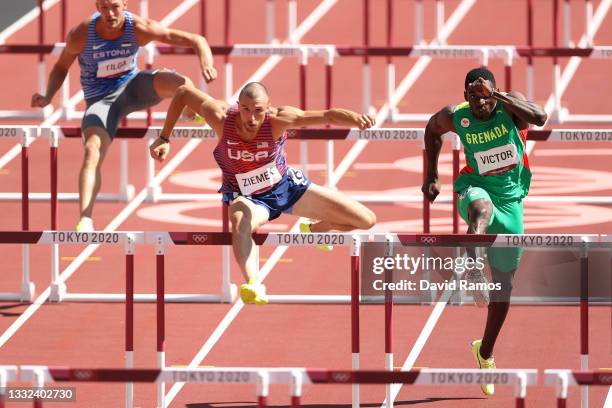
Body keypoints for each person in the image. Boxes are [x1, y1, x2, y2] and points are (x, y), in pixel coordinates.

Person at [149, 82, 377, 305]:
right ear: (237, 106)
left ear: (268, 108)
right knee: (239, 221)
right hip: (247, 197)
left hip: (287, 188)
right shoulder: (220, 117)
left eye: (258, 111)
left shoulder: (279, 119)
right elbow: (182, 93)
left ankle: (315, 228)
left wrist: (356, 119)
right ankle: (253, 283)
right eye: (245, 109)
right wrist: (164, 137)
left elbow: (327, 115)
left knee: (366, 220)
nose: (251, 117)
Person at [31, 0, 217, 232]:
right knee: (92, 150)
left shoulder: (139, 27)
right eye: (105, 8)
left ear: (125, 5)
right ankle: (85, 219)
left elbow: (197, 39)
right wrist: (48, 96)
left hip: (133, 87)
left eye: (115, 7)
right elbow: (60, 67)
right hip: (101, 101)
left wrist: (206, 62)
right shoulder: (81, 35)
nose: (110, 14)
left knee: (182, 84)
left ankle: (191, 113)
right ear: (97, 7)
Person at [421, 67, 547, 395]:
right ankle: (474, 262)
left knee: (504, 287)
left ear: (495, 94)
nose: (480, 104)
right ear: (465, 97)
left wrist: (498, 96)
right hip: (474, 186)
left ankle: (485, 351)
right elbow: (431, 130)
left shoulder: (509, 106)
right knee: (480, 209)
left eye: (485, 97)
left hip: (511, 198)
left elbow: (540, 117)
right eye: (474, 98)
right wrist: (431, 175)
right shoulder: (457, 116)